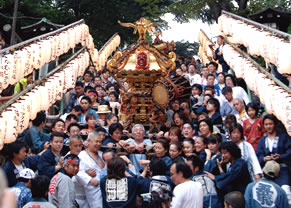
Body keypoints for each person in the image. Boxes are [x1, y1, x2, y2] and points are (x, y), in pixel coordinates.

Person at [256, 114, 291, 203]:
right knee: (270, 194)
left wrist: (281, 156)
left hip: (282, 170)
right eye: (266, 124)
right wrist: (264, 159)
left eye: (270, 124)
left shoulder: (283, 137)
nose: (268, 126)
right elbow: (258, 155)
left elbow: (289, 151)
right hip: (267, 172)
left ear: (274, 124)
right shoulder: (262, 140)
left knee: (286, 191)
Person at [75, 131, 105, 208]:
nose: (99, 144)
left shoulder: (102, 154)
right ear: (88, 141)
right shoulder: (81, 155)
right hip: (91, 187)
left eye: (100, 142)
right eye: (96, 141)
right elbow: (78, 172)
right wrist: (89, 180)